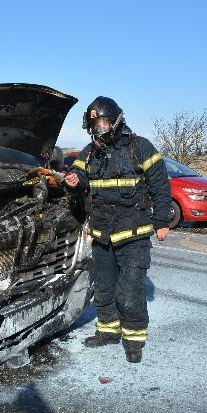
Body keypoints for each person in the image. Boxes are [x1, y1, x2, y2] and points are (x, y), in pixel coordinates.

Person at [64, 96, 171, 363]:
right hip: (102, 233)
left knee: (130, 289)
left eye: (101, 123)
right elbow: (79, 177)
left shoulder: (141, 148)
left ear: (115, 121)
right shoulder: (89, 152)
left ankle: (133, 340)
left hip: (133, 233)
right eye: (94, 126)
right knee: (104, 286)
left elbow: (160, 186)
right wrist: (74, 180)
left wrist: (161, 222)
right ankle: (108, 332)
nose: (97, 130)